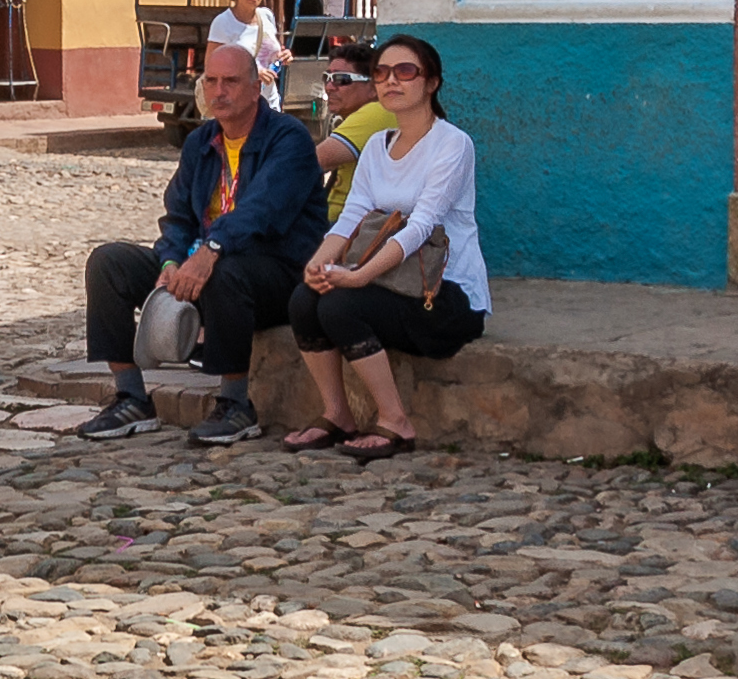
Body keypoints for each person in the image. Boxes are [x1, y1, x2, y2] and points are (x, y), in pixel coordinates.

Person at [72, 44, 331, 448]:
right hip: (204, 260)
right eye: (210, 81)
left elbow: (262, 212)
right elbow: (177, 216)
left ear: (255, 88)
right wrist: (172, 260)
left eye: (230, 81)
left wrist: (210, 250)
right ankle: (130, 396)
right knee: (109, 262)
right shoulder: (201, 142)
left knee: (225, 270)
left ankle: (235, 404)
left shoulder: (288, 139)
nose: (218, 91)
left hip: (277, 272)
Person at [287, 31, 487, 458]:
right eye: (381, 73)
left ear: (431, 82)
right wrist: (319, 265)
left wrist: (358, 276)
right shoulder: (377, 146)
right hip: (392, 282)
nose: (391, 81)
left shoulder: (453, 145)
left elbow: (420, 226)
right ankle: (337, 413)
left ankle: (395, 420)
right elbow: (351, 217)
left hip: (444, 295)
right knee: (305, 299)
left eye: (405, 71)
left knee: (341, 306)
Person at [312, 44, 393, 220]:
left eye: (341, 79)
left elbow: (311, 162)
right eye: (327, 78)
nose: (329, 87)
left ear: (373, 88)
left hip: (351, 228)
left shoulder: (378, 112)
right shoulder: (353, 117)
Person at [207, 0, 289, 85]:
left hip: (269, 99)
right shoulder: (223, 22)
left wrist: (282, 58)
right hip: (238, 99)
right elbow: (212, 66)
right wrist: (253, 73)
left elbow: (270, 56)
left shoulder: (267, 16)